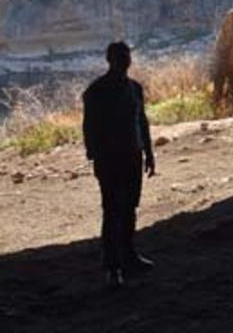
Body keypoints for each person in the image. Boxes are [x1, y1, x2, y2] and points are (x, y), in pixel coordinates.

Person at [82, 41, 156, 287]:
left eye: (126, 55)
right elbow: (89, 128)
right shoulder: (96, 91)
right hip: (111, 159)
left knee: (129, 208)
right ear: (110, 60)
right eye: (120, 56)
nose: (125, 59)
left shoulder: (134, 88)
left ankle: (128, 257)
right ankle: (113, 266)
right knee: (113, 210)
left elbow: (142, 122)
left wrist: (149, 153)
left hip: (132, 156)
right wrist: (96, 159)